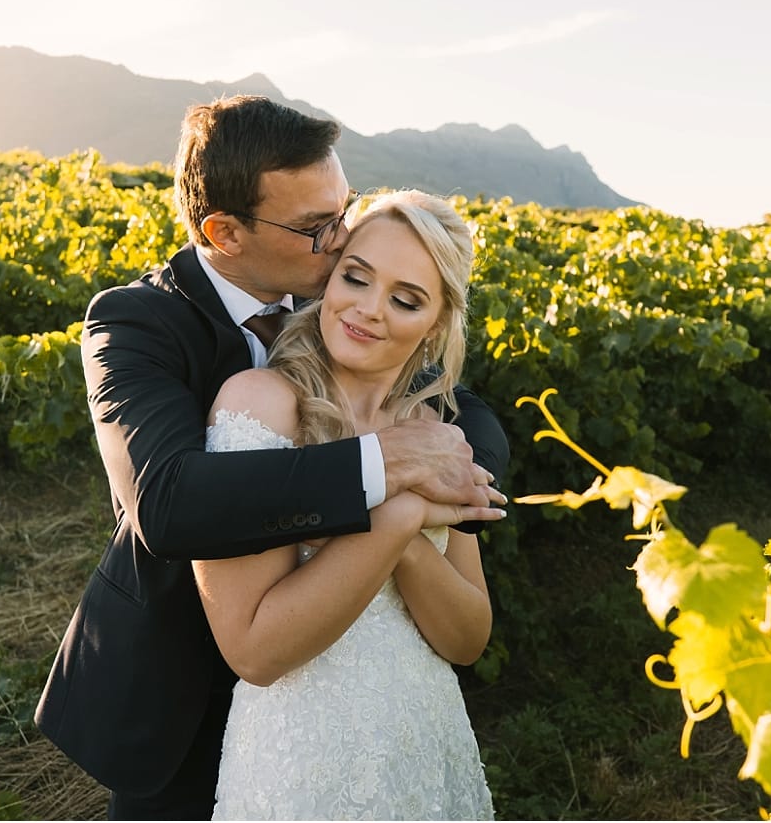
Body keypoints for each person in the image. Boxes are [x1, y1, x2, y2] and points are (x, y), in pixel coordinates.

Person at [33, 96, 510, 820]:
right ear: (224, 230)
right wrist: (391, 478)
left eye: (343, 210)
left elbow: (460, 412)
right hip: (179, 685)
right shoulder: (135, 323)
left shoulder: (341, 305)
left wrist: (462, 471)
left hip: (358, 705)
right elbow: (169, 500)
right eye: (319, 227)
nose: (342, 238)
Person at [197, 190, 495, 820]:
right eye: (356, 278)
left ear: (437, 324)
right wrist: (402, 515)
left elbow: (468, 638)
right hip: (300, 767)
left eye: (406, 299)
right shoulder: (262, 404)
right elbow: (255, 652)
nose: (369, 310)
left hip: (425, 751)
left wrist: (410, 549)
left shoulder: (434, 434)